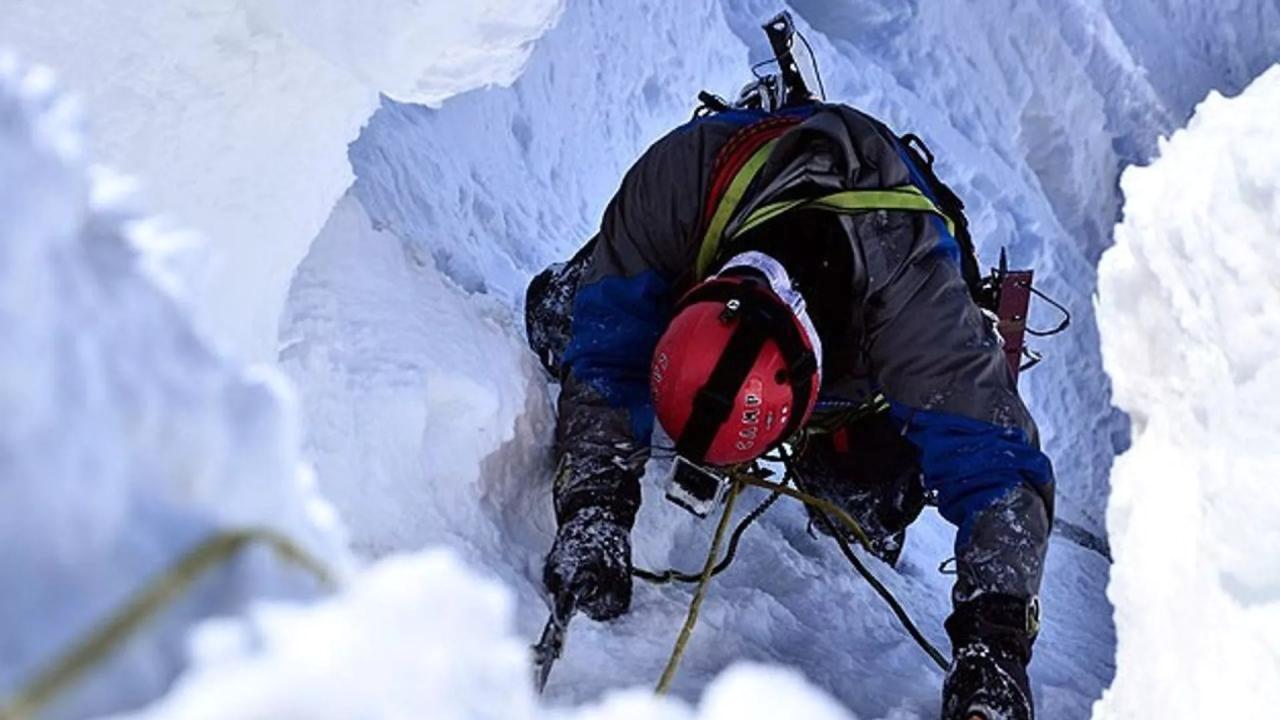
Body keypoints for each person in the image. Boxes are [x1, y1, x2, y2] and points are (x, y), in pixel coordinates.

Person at [524, 101, 1054, 720]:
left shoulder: (920, 314)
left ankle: (844, 456)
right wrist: (594, 503)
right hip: (734, 210)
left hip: (868, 351)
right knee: (565, 321)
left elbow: (996, 465)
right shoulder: (678, 186)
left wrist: (994, 638)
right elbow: (604, 357)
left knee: (867, 498)